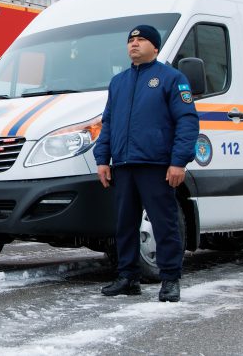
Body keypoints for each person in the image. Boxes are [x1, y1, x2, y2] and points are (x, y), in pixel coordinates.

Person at [94, 24, 199, 302]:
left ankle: (170, 279)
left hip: (156, 165)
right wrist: (102, 159)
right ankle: (128, 277)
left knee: (164, 224)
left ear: (155, 47)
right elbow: (108, 123)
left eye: (141, 40)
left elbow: (187, 121)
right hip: (123, 166)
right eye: (131, 40)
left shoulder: (172, 78)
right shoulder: (119, 82)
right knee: (125, 225)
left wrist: (178, 162)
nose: (134, 44)